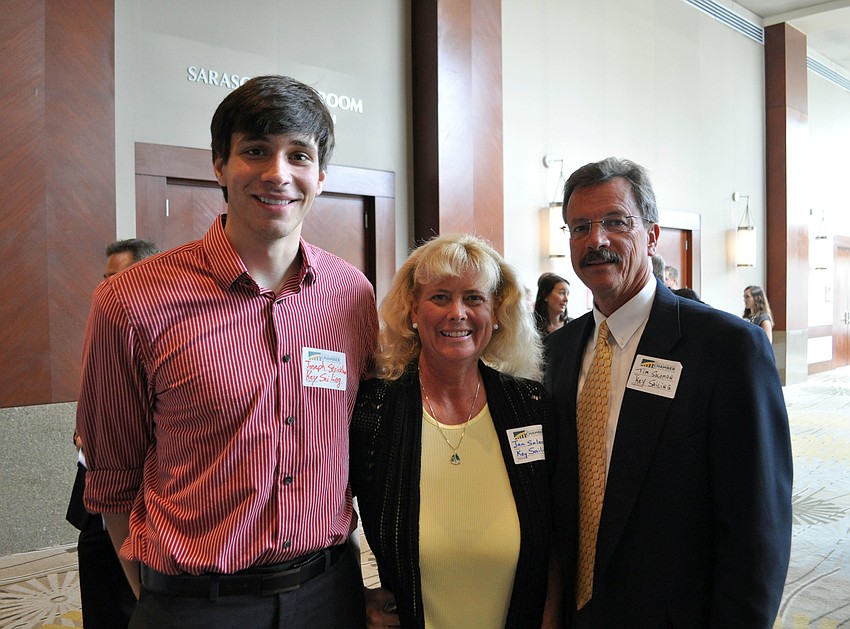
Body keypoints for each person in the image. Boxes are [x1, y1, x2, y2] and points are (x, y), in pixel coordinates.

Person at [75, 75, 378, 629]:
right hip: (196, 604)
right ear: (219, 164)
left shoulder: (352, 294)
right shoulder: (131, 299)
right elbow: (112, 474)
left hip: (329, 593)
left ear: (321, 175)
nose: (277, 174)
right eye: (255, 151)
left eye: (299, 155)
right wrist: (156, 596)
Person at [545, 157, 792, 627]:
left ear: (652, 235)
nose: (595, 240)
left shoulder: (727, 349)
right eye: (579, 227)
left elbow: (758, 527)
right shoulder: (556, 354)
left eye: (616, 222)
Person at [350, 233, 561, 628]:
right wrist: (366, 591)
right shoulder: (375, 407)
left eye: (474, 298)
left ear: (497, 311)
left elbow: (552, 534)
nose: (457, 313)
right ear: (413, 309)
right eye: (440, 297)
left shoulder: (530, 407)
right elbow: (338, 508)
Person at [66, 238, 158, 629]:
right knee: (101, 596)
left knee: (132, 604)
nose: (107, 288)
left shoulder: (163, 333)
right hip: (95, 497)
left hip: (140, 502)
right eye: (104, 279)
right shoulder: (105, 324)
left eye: (117, 278)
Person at [534, 272, 572, 337]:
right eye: (562, 293)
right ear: (545, 295)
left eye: (567, 294)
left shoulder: (572, 325)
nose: (566, 299)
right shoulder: (532, 327)